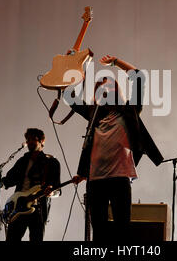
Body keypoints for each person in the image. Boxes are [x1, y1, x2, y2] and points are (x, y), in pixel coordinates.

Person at [65, 54, 164, 241]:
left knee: (122, 231)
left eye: (110, 85)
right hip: (95, 181)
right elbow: (69, 97)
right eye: (101, 87)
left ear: (117, 91)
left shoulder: (129, 110)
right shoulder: (93, 114)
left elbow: (138, 77)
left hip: (120, 179)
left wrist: (115, 62)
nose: (105, 89)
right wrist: (76, 67)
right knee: (99, 232)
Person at [0, 128, 61, 241]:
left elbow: (57, 189)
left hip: (38, 209)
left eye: (33, 139)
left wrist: (51, 192)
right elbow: (9, 180)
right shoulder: (22, 161)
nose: (30, 142)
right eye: (28, 140)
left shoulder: (51, 162)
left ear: (42, 141)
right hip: (18, 206)